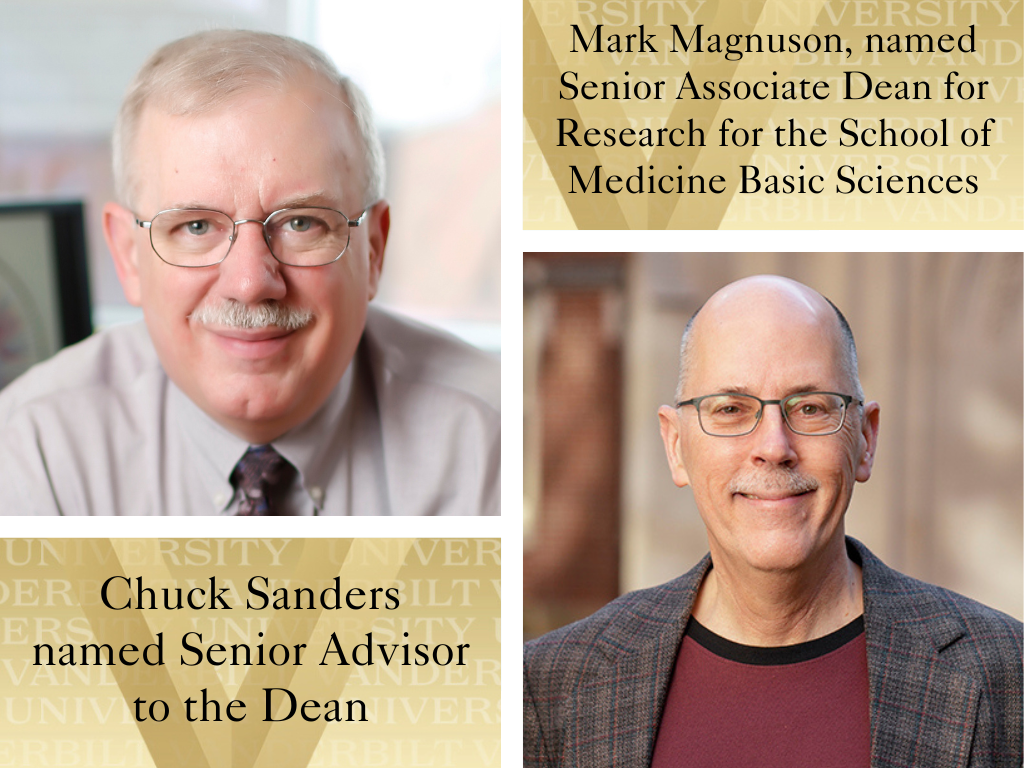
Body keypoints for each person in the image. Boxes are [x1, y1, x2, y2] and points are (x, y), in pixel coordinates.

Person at [524, 276, 1021, 767]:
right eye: (731, 409)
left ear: (866, 440)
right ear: (676, 445)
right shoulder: (552, 685)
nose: (773, 448)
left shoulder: (1006, 675)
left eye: (809, 408)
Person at [0, 30, 499, 515]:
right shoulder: (36, 451)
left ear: (373, 248)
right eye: (196, 226)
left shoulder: (491, 444)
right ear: (129, 255)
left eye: (301, 223)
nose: (251, 283)